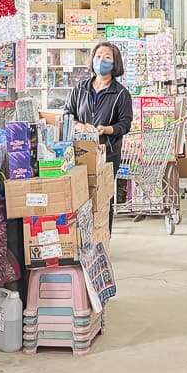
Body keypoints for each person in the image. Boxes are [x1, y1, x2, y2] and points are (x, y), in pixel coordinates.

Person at [62, 42, 133, 232]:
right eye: (98, 56)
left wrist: (105, 129)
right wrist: (79, 125)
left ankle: (103, 238)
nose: (101, 60)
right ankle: (82, 241)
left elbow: (125, 124)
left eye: (107, 57)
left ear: (115, 63)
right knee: (80, 196)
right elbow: (67, 114)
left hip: (107, 154)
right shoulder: (80, 88)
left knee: (102, 198)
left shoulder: (121, 94)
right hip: (80, 151)